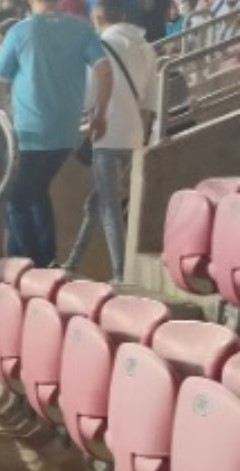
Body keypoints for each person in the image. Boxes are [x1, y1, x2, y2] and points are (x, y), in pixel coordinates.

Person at [0, 0, 113, 268]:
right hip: (65, 133)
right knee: (36, 192)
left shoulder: (21, 32)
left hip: (29, 132)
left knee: (15, 199)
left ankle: (37, 265)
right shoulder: (81, 30)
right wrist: (100, 114)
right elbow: (104, 69)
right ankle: (41, 260)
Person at [63, 0, 159, 283]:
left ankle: (120, 273)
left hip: (107, 133)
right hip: (135, 135)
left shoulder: (100, 45)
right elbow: (151, 99)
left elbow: (89, 94)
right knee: (99, 203)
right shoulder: (146, 47)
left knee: (108, 206)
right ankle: (71, 263)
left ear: (99, 16)